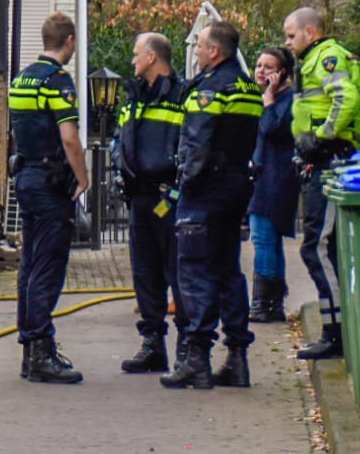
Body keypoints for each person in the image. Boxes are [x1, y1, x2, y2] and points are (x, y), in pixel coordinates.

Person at [162, 20, 262, 390]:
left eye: (200, 46)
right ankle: (237, 357)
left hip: (204, 190)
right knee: (227, 269)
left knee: (194, 269)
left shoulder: (210, 89)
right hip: (236, 185)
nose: (197, 52)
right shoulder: (249, 88)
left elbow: (197, 144)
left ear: (215, 51)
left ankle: (197, 358)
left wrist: (185, 185)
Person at [9, 11, 90, 384]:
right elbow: (69, 136)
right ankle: (41, 351)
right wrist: (82, 177)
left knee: (30, 264)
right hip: (50, 182)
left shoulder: (21, 79)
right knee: (48, 266)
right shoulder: (58, 82)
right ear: (69, 42)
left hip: (25, 178)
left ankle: (30, 350)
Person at [283, 6, 360, 360]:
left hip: (330, 161)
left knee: (316, 247)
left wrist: (320, 136)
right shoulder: (313, 60)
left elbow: (347, 98)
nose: (287, 43)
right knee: (322, 248)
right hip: (319, 161)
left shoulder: (326, 57)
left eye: (291, 35)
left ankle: (337, 334)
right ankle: (335, 329)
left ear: (310, 32)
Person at [113, 32, 186, 374]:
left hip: (169, 199)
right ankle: (153, 345)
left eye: (136, 53)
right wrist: (119, 164)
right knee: (145, 274)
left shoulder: (182, 97)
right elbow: (119, 139)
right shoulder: (134, 97)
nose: (132, 60)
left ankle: (188, 347)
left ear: (153, 57)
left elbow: (190, 146)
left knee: (178, 272)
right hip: (140, 198)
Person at [246, 45, 300, 324]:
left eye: (268, 67)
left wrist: (268, 101)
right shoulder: (275, 99)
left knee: (263, 238)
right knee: (270, 240)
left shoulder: (287, 101)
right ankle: (273, 303)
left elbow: (272, 129)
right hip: (266, 178)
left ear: (282, 73)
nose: (261, 71)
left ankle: (262, 303)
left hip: (275, 181)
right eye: (258, 65)